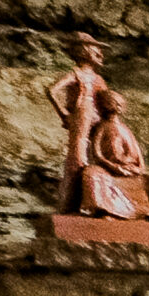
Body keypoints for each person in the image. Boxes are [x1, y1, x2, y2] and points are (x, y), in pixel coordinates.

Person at [80, 89, 149, 220]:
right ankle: (107, 211)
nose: (117, 107)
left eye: (119, 104)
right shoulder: (102, 128)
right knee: (91, 173)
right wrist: (114, 167)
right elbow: (97, 154)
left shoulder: (125, 130)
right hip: (109, 171)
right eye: (113, 103)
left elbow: (139, 157)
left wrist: (137, 169)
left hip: (131, 171)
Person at [44, 33, 108, 211]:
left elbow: (106, 99)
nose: (101, 54)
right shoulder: (77, 74)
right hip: (82, 112)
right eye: (96, 50)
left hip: (96, 115)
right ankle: (72, 202)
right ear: (85, 51)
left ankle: (95, 197)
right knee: (78, 155)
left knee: (96, 152)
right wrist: (64, 113)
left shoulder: (98, 79)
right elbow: (51, 90)